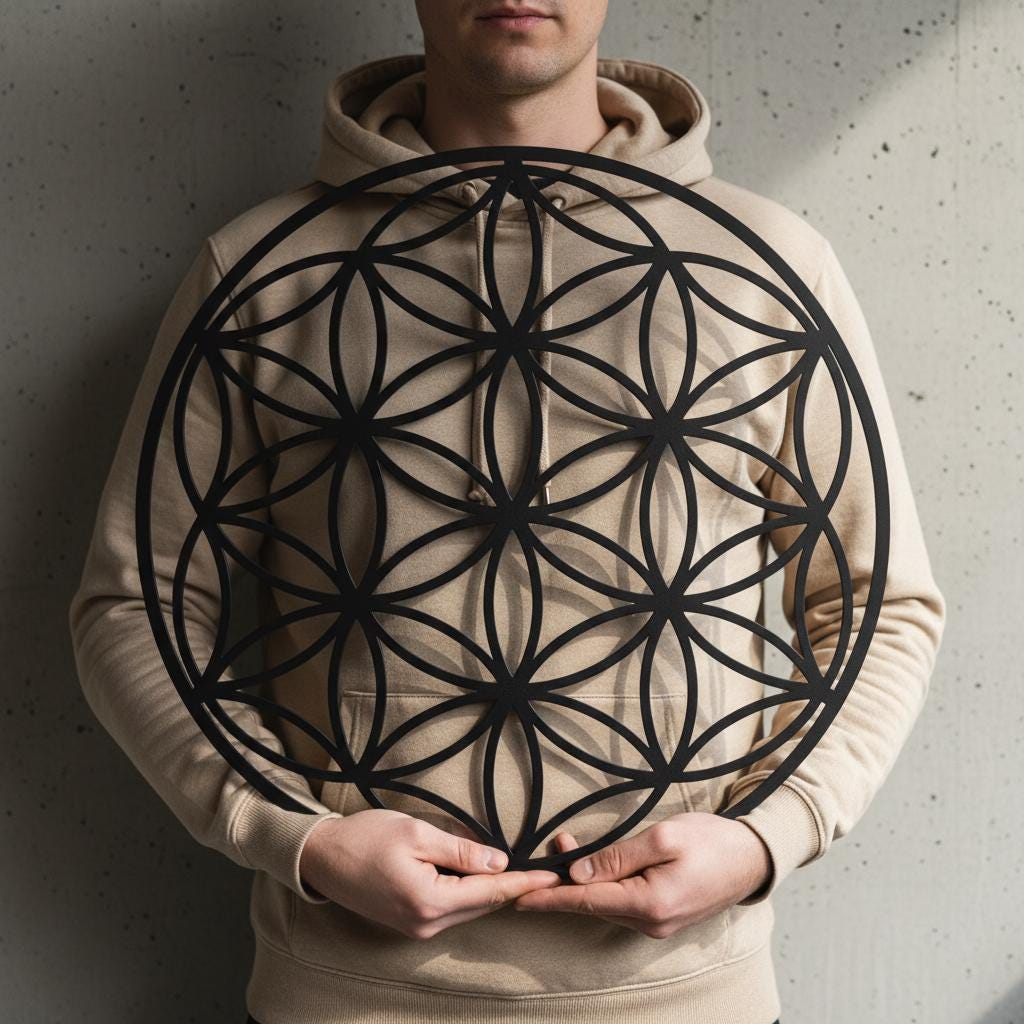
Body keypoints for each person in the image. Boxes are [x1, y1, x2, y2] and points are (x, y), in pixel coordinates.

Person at [68, 2, 946, 1023]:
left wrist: (765, 838)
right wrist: (299, 838)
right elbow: (133, 608)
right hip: (346, 995)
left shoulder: (762, 268)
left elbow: (878, 605)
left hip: (682, 996)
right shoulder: (267, 270)